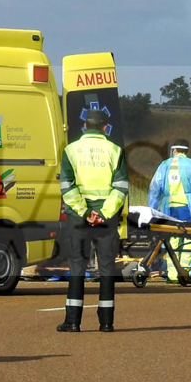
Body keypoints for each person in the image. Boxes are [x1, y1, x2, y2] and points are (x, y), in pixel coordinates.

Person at [57, 109, 128, 333]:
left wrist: (84, 212)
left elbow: (67, 186)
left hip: (78, 218)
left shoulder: (71, 150)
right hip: (106, 219)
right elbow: (121, 187)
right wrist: (103, 213)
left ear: (85, 127)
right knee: (107, 268)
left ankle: (73, 321)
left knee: (77, 265)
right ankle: (106, 322)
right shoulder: (115, 151)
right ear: (105, 128)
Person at [148, 139, 191, 281]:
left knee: (171, 239)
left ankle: (173, 274)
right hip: (188, 206)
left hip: (169, 207)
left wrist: (152, 209)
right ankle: (184, 273)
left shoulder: (164, 165)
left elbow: (155, 188)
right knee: (189, 238)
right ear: (186, 150)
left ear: (174, 150)